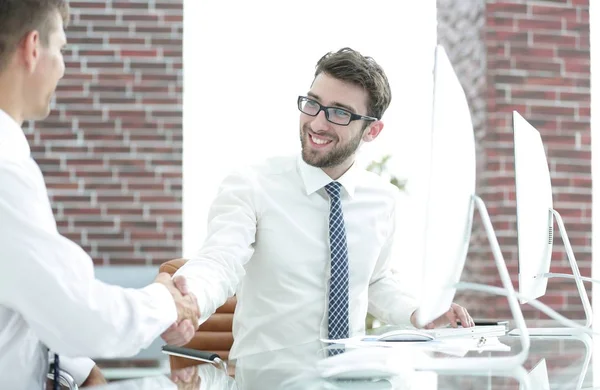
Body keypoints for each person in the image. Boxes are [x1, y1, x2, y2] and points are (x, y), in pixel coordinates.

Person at [165, 47, 474, 358]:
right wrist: (189, 302)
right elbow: (220, 261)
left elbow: (376, 279)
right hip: (271, 379)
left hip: (350, 377)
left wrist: (421, 313)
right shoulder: (251, 185)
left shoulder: (382, 199)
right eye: (313, 104)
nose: (317, 123)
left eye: (340, 112)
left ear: (372, 130)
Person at [0, 1, 198, 388]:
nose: (63, 66)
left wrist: (76, 368)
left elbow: (26, 299)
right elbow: (77, 315)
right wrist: (163, 301)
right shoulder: (4, 174)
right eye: (60, 49)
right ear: (33, 47)